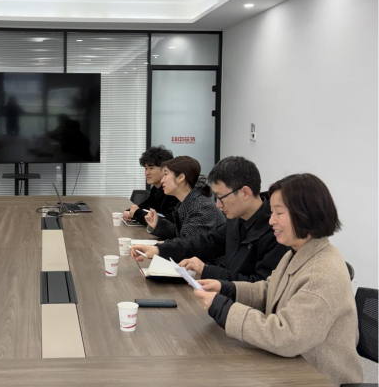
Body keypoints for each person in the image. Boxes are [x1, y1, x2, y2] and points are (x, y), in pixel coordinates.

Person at [194, 174, 362, 386]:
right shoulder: (297, 252)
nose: (271, 220)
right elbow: (270, 289)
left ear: (306, 214)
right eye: (272, 212)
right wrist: (227, 289)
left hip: (319, 377)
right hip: (293, 365)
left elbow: (286, 337)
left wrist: (225, 310)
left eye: (279, 213)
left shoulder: (321, 274)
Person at [131, 156, 289, 282]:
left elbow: (259, 287)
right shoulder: (237, 219)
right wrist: (159, 250)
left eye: (221, 197)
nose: (218, 205)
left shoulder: (276, 231)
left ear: (245, 193)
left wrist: (206, 270)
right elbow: (204, 242)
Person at [144, 156, 225, 242]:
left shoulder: (201, 207)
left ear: (181, 178)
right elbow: (181, 234)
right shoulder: (191, 200)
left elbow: (188, 245)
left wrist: (159, 247)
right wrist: (157, 224)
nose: (162, 180)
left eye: (166, 174)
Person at [123, 146, 178, 226]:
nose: (147, 173)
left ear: (165, 169)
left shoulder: (173, 192)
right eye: (146, 168)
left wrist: (136, 213)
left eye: (151, 168)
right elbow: (144, 207)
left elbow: (166, 223)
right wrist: (129, 212)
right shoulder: (155, 189)